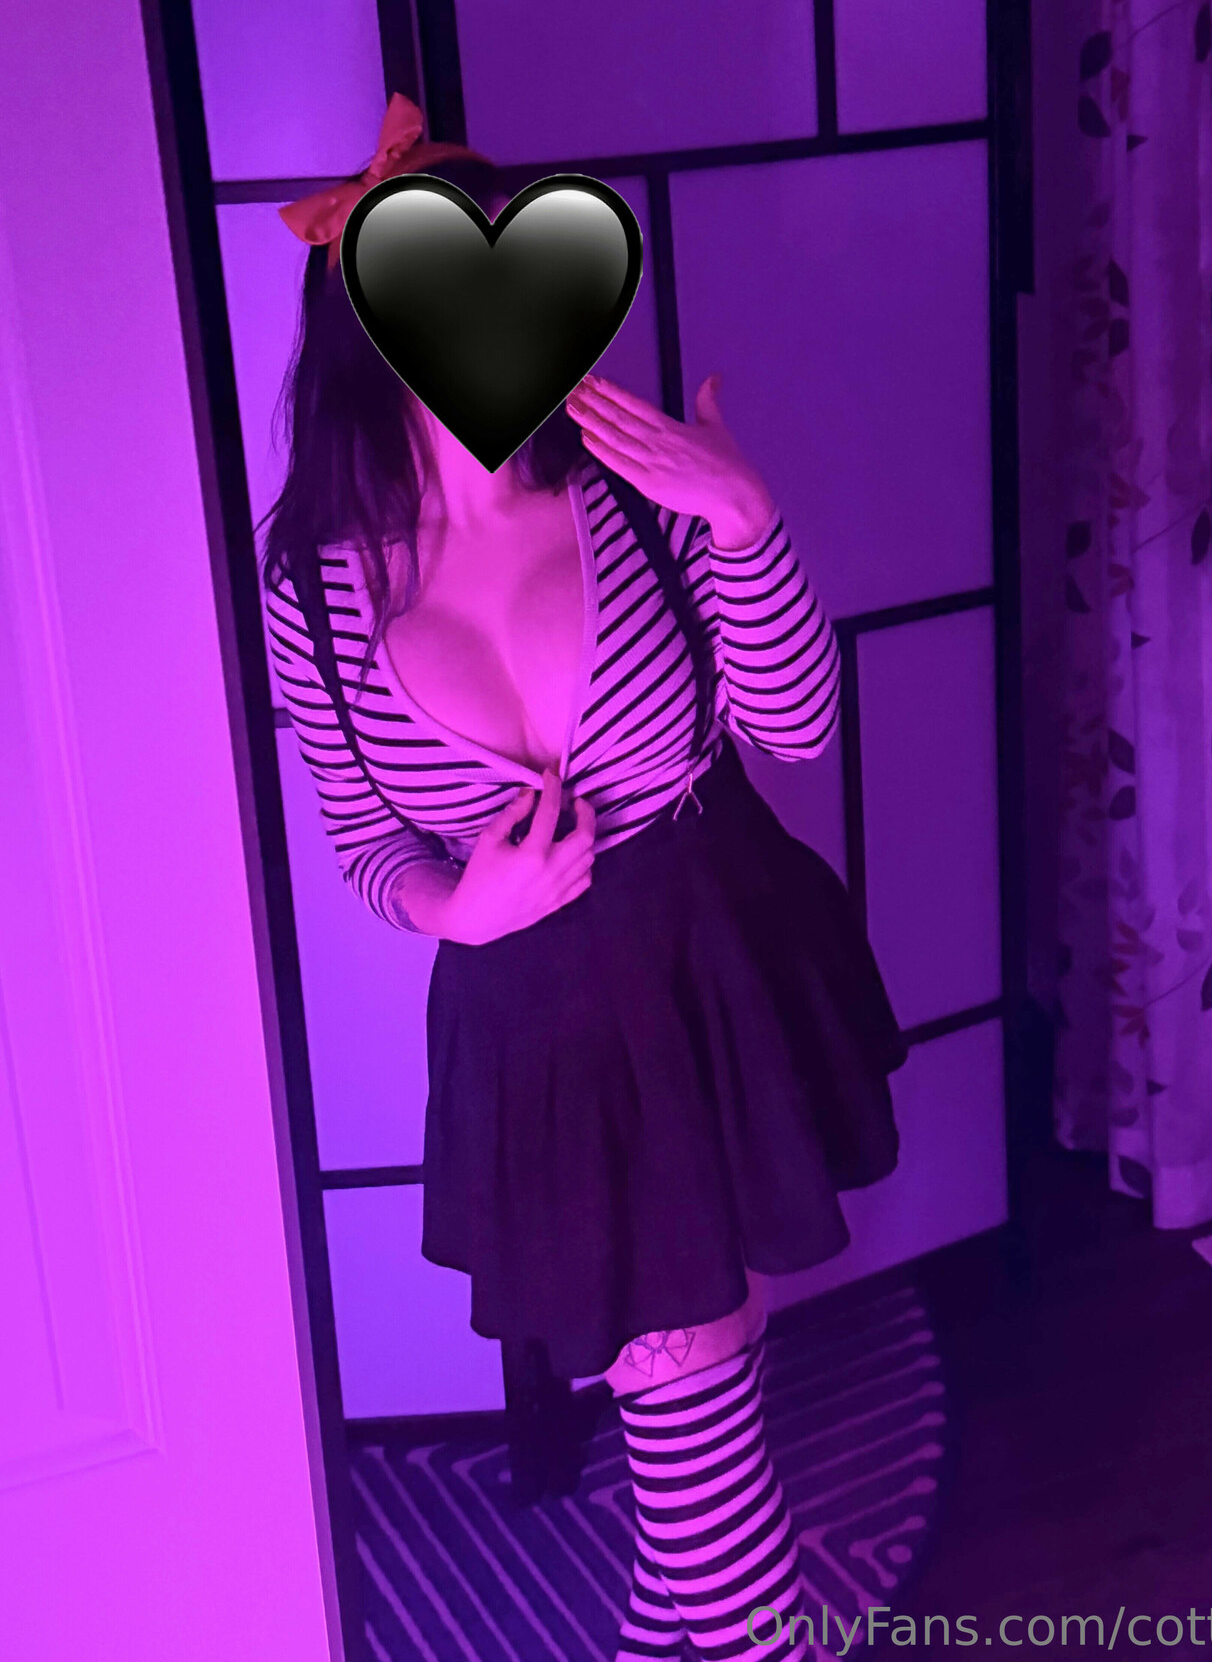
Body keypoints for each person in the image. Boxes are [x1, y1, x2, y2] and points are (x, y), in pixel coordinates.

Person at [262, 94, 905, 1661]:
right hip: (536, 1013)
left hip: (709, 949)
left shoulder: (630, 491)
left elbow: (797, 730)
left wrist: (743, 516)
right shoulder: (314, 591)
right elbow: (364, 842)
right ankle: (710, 1621)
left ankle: (708, 1627)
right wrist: (455, 907)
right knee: (671, 1351)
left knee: (687, 1351)